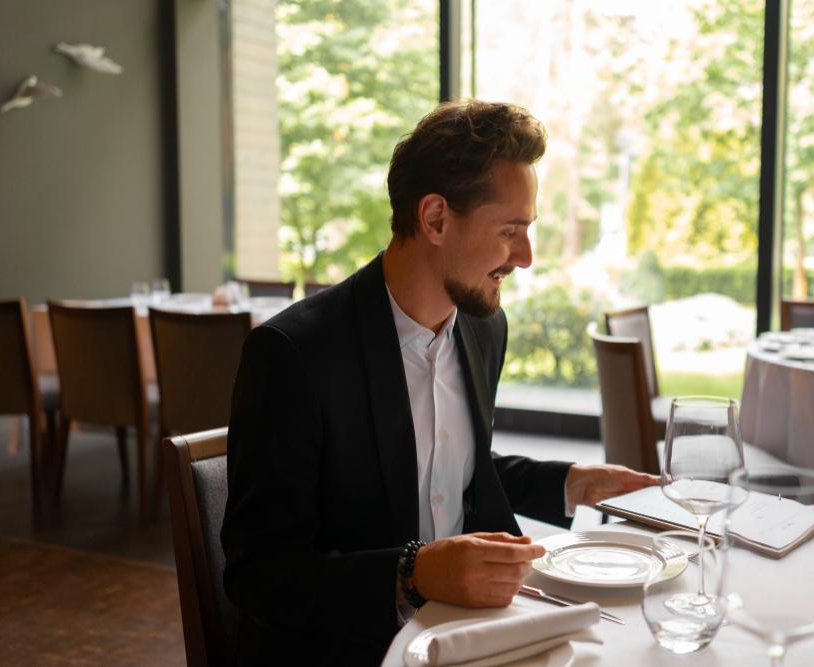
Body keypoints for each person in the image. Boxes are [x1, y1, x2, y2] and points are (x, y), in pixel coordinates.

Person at [221, 100, 658, 665]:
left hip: (472, 632)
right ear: (434, 219)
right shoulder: (293, 354)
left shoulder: (482, 328)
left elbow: (438, 464)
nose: (525, 257)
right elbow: (258, 574)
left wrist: (572, 482)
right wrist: (413, 571)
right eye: (510, 231)